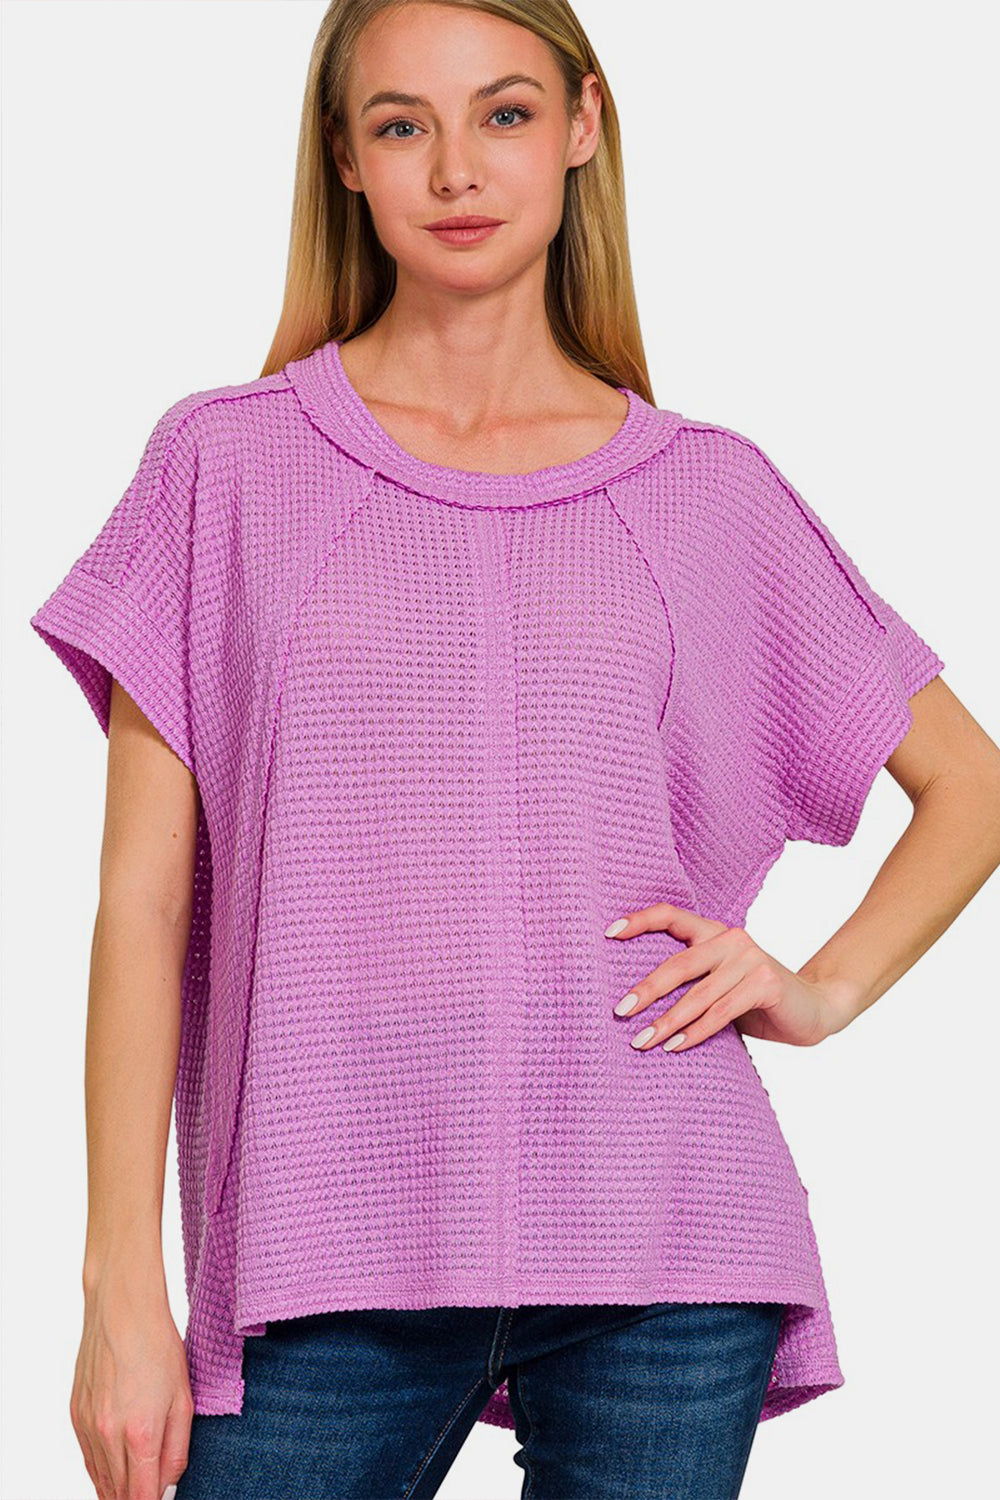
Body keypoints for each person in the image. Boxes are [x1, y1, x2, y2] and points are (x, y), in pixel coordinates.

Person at [27, 2, 1000, 1498]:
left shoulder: (707, 491)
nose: (456, 170)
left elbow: (970, 783)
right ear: (344, 158)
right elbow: (142, 908)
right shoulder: (225, 465)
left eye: (505, 113)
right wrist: (119, 1288)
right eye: (401, 124)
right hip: (319, 1250)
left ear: (583, 126)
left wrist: (818, 991)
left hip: (666, 1241)